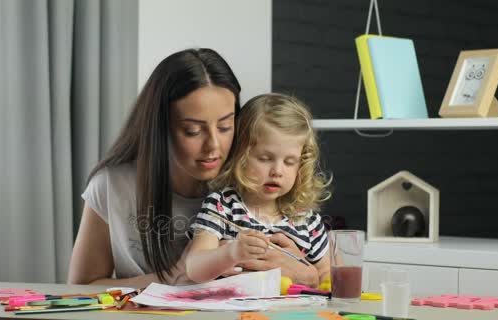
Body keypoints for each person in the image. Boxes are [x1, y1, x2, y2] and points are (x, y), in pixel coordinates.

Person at [67, 49, 318, 287]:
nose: (213, 146)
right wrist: (176, 277)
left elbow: (330, 274)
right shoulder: (113, 186)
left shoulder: (255, 181)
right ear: (160, 127)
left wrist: (305, 273)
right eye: (193, 131)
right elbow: (81, 288)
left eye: (224, 127)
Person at [185, 93, 332, 288]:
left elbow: (327, 276)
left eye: (290, 162)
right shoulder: (221, 206)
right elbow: (194, 268)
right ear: (240, 155)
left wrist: (317, 277)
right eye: (264, 158)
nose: (277, 171)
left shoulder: (307, 221)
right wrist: (231, 253)